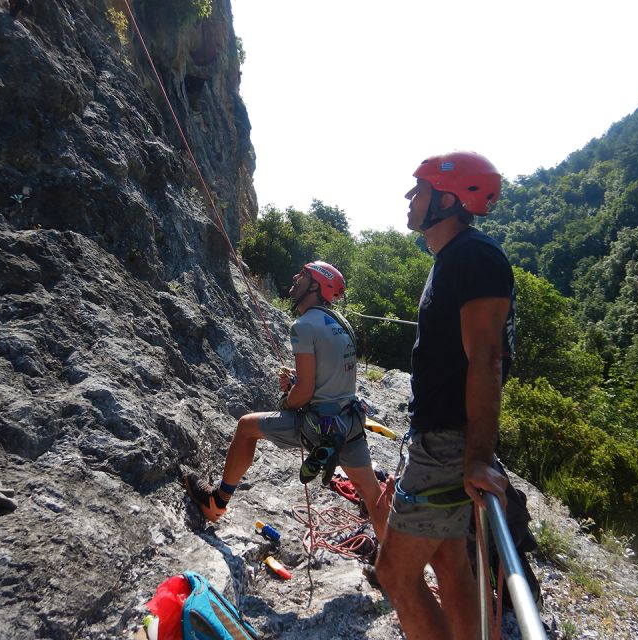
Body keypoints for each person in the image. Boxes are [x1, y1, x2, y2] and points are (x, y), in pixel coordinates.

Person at [374, 151, 516, 640]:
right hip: (440, 438)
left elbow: (487, 357)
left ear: (449, 199)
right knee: (448, 559)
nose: (410, 197)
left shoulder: (475, 256)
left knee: (393, 572)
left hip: (447, 446)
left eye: (420, 188)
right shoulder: (452, 260)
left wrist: (477, 458)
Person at [184, 261, 387, 540]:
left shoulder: (303, 326)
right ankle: (392, 565)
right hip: (349, 423)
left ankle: (216, 504)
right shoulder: (342, 324)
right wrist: (299, 380)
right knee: (372, 492)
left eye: (303, 275)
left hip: (318, 426)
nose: (295, 277)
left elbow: (304, 393)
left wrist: (287, 401)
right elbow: (333, 374)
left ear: (316, 286)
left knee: (246, 427)